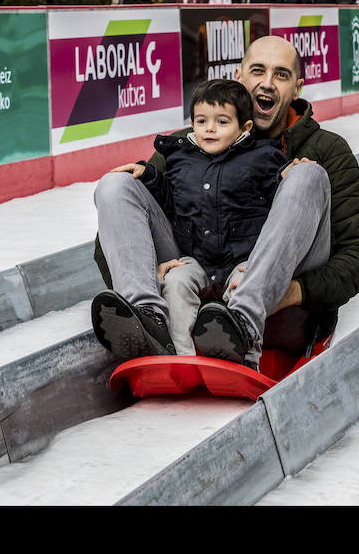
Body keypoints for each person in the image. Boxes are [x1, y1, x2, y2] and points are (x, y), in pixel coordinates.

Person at [92, 36, 359, 370]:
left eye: (281, 74)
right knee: (116, 185)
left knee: (307, 175)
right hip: (189, 284)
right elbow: (114, 243)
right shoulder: (192, 142)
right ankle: (149, 320)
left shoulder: (325, 149)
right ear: (239, 77)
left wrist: (288, 291)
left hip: (278, 312)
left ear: (297, 89)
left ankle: (242, 322)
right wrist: (150, 274)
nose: (267, 83)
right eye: (258, 70)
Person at [100, 79, 290, 359]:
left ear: (245, 127)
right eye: (201, 121)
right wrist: (150, 177)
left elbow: (280, 211)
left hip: (242, 258)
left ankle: (245, 354)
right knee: (176, 283)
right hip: (195, 258)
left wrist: (287, 176)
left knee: (245, 286)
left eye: (222, 122)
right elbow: (171, 204)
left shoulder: (263, 156)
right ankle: (178, 354)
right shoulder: (181, 156)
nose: (209, 128)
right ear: (192, 123)